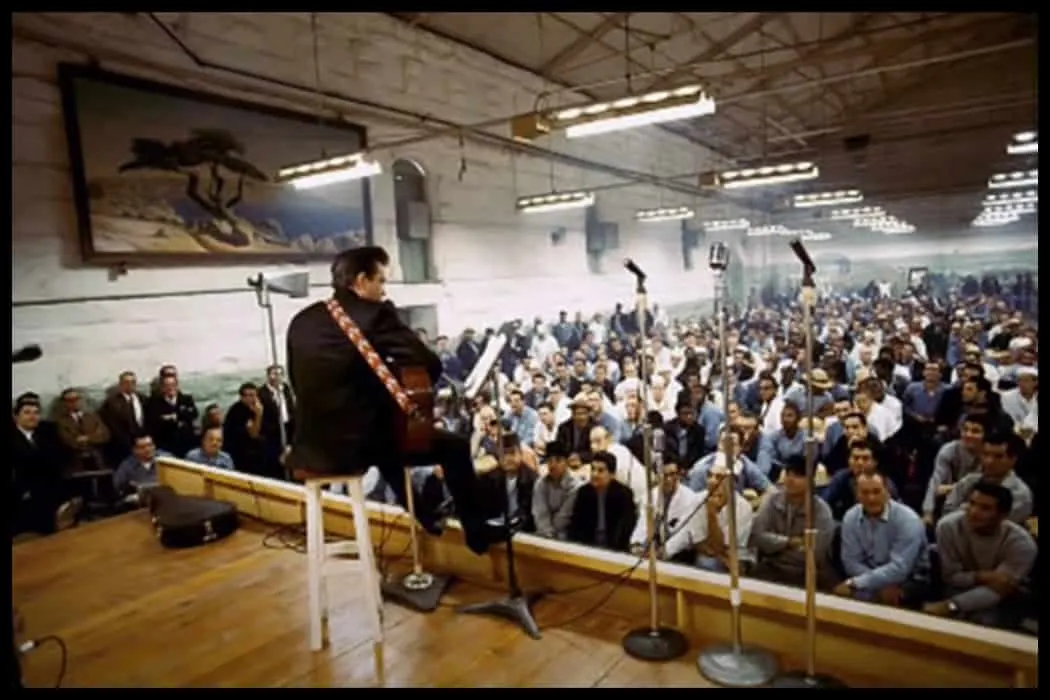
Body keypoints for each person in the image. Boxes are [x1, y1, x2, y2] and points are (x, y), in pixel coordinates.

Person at [285, 246, 491, 555]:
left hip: (311, 445)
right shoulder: (376, 314)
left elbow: (307, 381)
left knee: (386, 430)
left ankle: (424, 515)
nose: (384, 290)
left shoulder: (303, 320)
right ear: (361, 280)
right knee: (456, 447)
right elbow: (429, 364)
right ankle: (478, 536)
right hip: (356, 447)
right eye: (381, 281)